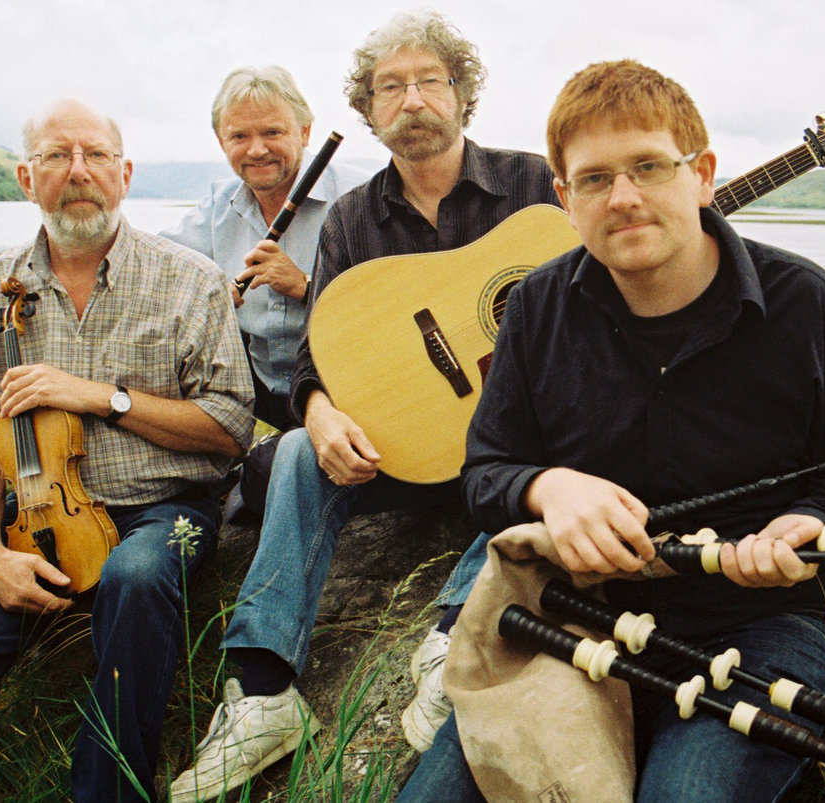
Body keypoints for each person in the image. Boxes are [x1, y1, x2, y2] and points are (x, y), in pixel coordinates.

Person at [398, 60, 825, 802]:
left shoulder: (810, 305)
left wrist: (813, 518)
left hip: (758, 623)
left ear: (702, 175)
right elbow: (486, 473)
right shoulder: (536, 307)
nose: (624, 197)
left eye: (648, 167)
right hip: (573, 617)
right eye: (595, 179)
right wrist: (548, 488)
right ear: (566, 199)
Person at [168, 11, 558, 802]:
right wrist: (318, 413)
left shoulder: (535, 185)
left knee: (570, 435)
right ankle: (263, 689)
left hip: (510, 455)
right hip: (406, 450)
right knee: (296, 451)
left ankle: (452, 639)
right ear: (369, 109)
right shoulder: (353, 217)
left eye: (429, 81)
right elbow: (317, 354)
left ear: (462, 94)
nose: (411, 99)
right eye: (390, 87)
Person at [0, 99, 254, 802]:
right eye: (56, 155)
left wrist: (102, 397)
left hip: (162, 509)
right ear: (27, 178)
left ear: (125, 174)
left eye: (96, 155)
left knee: (136, 577)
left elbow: (230, 426)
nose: (79, 171)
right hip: (30, 520)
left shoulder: (190, 279)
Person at [161, 68, 369, 518]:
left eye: (273, 132)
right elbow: (153, 268)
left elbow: (396, 309)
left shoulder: (362, 196)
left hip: (346, 389)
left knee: (262, 478)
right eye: (239, 136)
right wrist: (205, 295)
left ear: (305, 132)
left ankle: (256, 472)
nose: (256, 150)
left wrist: (306, 286)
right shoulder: (218, 206)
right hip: (265, 392)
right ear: (221, 142)